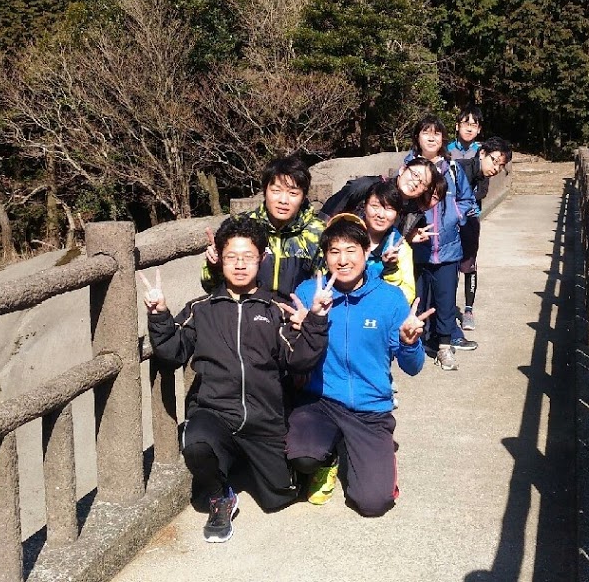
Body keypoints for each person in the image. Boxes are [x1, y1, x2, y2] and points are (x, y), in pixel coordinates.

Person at [145, 216, 330, 543]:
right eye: (231, 256)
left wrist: (314, 323)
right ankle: (221, 496)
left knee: (281, 497)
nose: (240, 264)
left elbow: (300, 360)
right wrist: (159, 314)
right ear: (219, 258)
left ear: (262, 258)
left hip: (265, 417)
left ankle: (252, 463)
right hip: (215, 413)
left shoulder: (278, 308)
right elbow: (173, 352)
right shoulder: (200, 308)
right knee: (197, 445)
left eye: (248, 257)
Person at [287, 216, 434, 516]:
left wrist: (409, 343)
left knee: (373, 503)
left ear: (367, 252)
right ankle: (327, 457)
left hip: (369, 407)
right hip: (320, 401)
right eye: (334, 251)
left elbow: (413, 367)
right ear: (325, 256)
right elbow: (292, 355)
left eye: (351, 250)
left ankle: (372, 452)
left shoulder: (390, 299)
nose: (342, 260)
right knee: (302, 456)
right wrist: (305, 327)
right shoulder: (308, 293)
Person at [405, 115, 477, 370]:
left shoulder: (452, 169)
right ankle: (414, 347)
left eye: (436, 133)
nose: (432, 137)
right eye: (426, 132)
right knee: (417, 301)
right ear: (417, 137)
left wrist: (454, 216)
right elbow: (398, 201)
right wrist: (409, 231)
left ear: (443, 139)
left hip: (448, 249)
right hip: (417, 249)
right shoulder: (407, 169)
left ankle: (445, 348)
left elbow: (468, 200)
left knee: (446, 302)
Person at [201, 154, 324, 300]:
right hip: (248, 310)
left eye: (293, 193)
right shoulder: (242, 227)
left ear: (303, 197)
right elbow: (210, 286)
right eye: (276, 191)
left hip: (298, 312)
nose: (283, 200)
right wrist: (215, 265)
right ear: (265, 191)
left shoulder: (318, 233)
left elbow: (327, 286)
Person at [450, 135, 513, 331]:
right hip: (451, 224)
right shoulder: (459, 168)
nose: (496, 168)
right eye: (494, 161)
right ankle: (447, 310)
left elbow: (481, 193)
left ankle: (468, 310)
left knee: (470, 265)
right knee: (450, 268)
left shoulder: (483, 175)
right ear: (482, 153)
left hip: (470, 221)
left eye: (501, 166)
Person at [358, 181, 415, 303]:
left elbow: (407, 296)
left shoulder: (401, 249)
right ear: (364, 206)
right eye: (375, 206)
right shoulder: (346, 237)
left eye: (389, 209)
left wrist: (391, 269)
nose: (381, 215)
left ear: (397, 214)